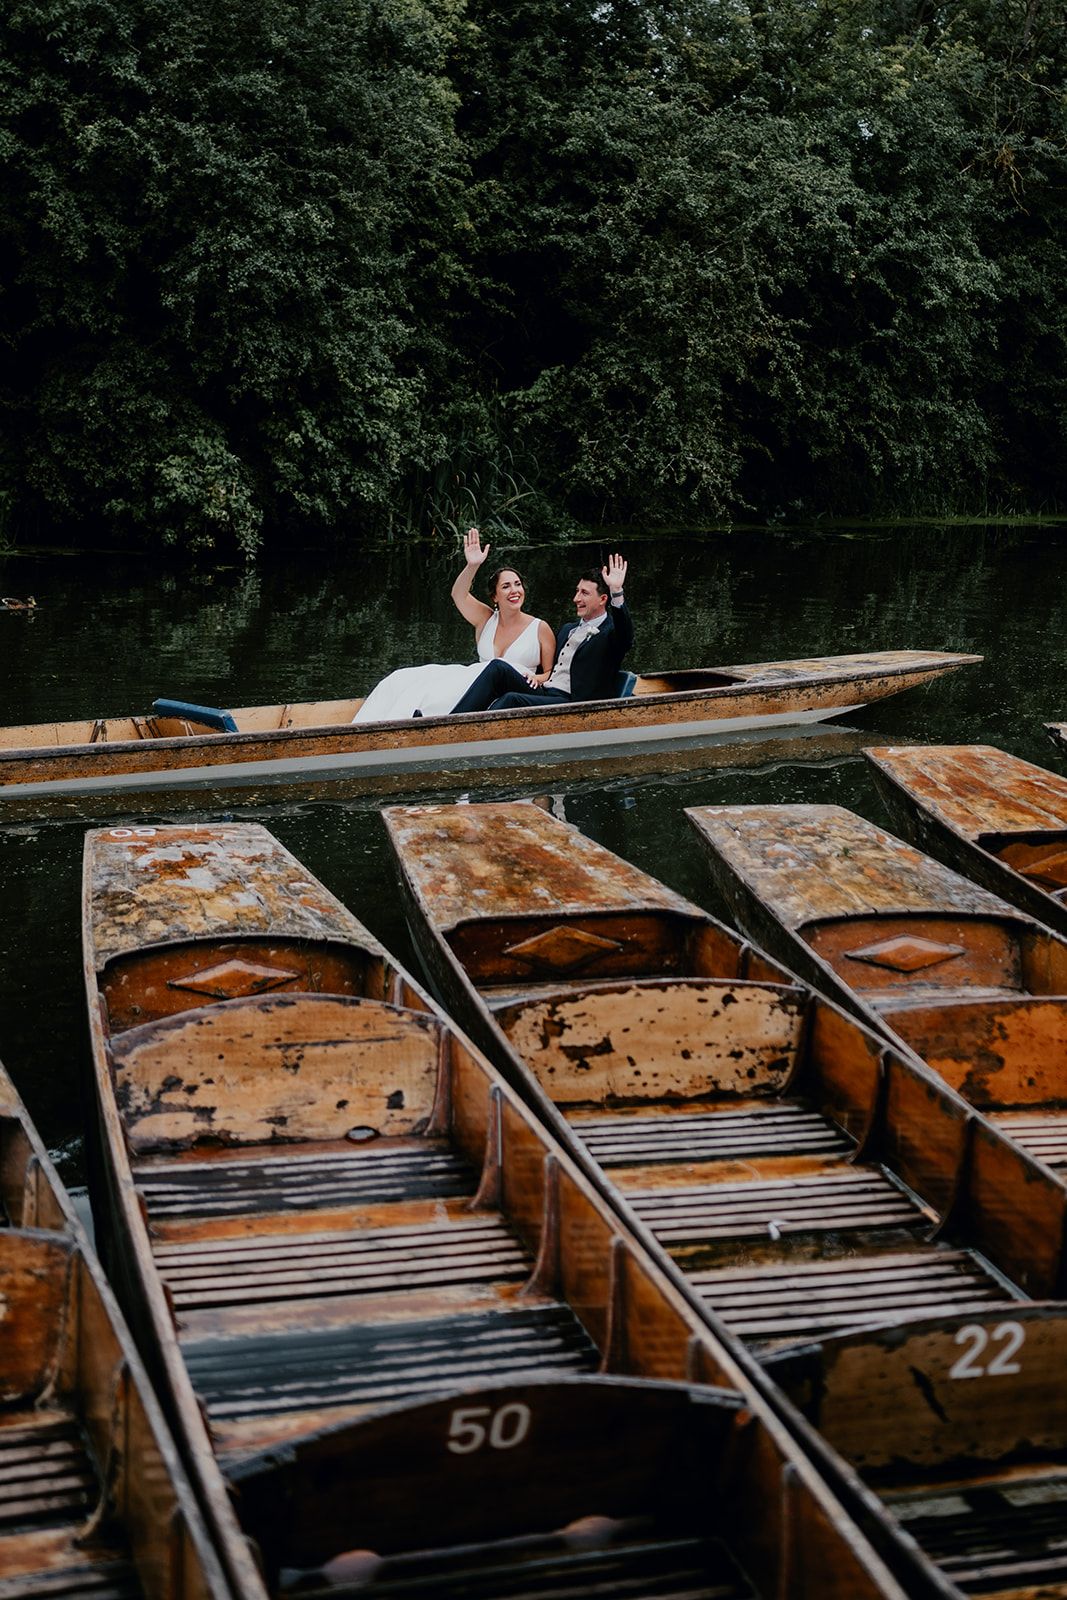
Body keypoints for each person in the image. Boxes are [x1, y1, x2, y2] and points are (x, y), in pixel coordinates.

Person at [352, 529, 555, 722]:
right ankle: (386, 721)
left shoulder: (540, 627)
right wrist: (472, 566)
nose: (514, 590)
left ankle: (440, 720)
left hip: (516, 687)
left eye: (518, 584)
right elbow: (458, 595)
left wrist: (537, 678)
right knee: (402, 678)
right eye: (506, 586)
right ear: (495, 597)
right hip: (478, 682)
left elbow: (550, 675)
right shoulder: (485, 618)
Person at [449, 554, 631, 714]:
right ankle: (450, 721)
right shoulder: (568, 629)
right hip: (546, 691)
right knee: (498, 668)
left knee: (512, 699)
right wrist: (537, 677)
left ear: (603, 599)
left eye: (584, 593)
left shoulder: (611, 633)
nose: (576, 599)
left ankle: (467, 730)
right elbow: (549, 670)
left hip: (574, 702)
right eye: (577, 591)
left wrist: (616, 591)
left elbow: (625, 635)